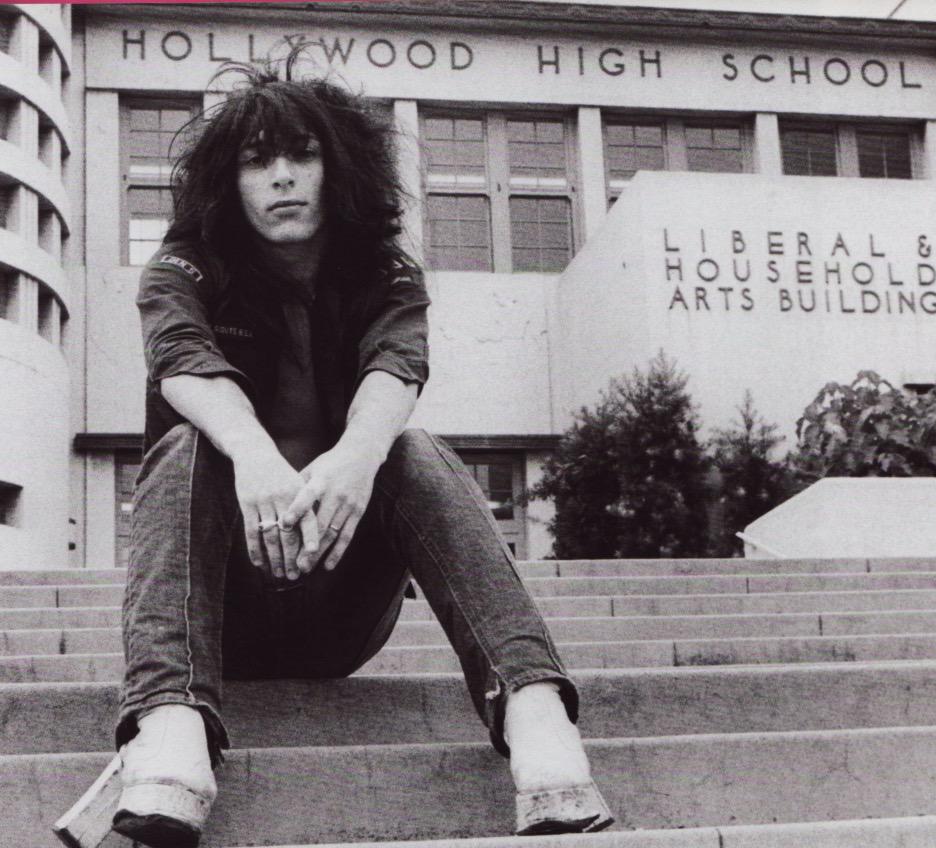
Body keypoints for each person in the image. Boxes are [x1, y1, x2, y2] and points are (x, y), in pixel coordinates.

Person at [54, 55, 612, 848]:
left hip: (342, 613)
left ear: (337, 165)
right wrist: (252, 455)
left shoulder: (383, 271)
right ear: (229, 183)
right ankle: (170, 728)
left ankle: (536, 714)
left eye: (301, 154)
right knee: (185, 449)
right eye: (256, 161)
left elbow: (398, 367)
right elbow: (180, 361)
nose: (282, 177)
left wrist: (354, 459)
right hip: (222, 617)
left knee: (411, 449)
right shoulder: (183, 267)